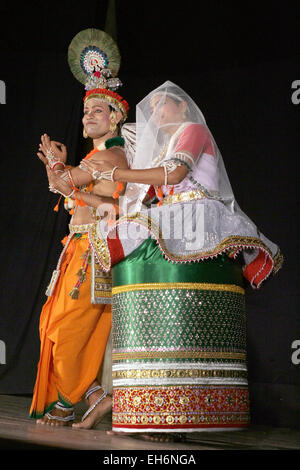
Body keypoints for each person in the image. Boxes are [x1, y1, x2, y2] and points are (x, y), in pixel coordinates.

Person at [81, 81, 283, 441]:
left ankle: (177, 416)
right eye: (153, 109)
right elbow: (151, 193)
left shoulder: (193, 130)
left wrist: (116, 175)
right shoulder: (167, 144)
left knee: (183, 312)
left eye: (162, 107)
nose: (156, 114)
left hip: (198, 218)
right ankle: (146, 410)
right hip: (174, 219)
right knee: (148, 289)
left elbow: (174, 176)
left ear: (183, 109)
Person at [29, 28, 130, 429]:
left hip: (94, 251)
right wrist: (55, 168)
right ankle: (92, 396)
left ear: (117, 117)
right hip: (77, 247)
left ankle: (78, 400)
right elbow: (66, 186)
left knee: (65, 327)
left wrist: (57, 166)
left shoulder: (112, 155)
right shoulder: (95, 156)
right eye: (86, 111)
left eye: (97, 112)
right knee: (51, 323)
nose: (88, 117)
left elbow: (67, 183)